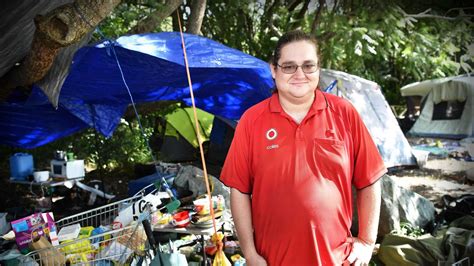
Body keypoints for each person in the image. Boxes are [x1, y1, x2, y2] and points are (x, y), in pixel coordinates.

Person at [220, 30, 386, 265]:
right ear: (274, 69)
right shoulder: (252, 121)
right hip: (272, 260)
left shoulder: (344, 113)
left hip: (337, 260)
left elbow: (370, 178)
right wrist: (249, 253)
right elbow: (239, 191)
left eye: (308, 66)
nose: (300, 74)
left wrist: (367, 242)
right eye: (289, 66)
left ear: (318, 68)